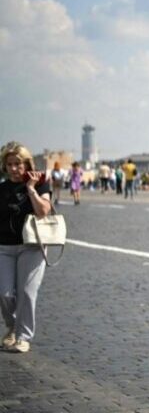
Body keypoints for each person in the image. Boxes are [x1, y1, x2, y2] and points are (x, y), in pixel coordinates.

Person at [0, 142, 53, 354]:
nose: (14, 168)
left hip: (31, 247)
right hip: (4, 248)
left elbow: (43, 211)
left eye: (18, 164)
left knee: (26, 292)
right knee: (4, 294)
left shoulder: (40, 183)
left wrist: (31, 189)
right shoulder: (1, 188)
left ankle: (23, 336)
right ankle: (12, 327)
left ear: (26, 163)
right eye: (10, 164)